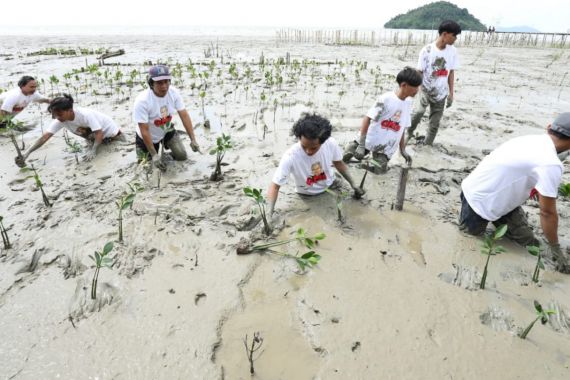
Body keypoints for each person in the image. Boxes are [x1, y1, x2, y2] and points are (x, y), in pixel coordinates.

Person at [459, 113, 570, 273]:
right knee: (470, 237)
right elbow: (547, 213)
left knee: (528, 242)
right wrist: (556, 249)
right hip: (478, 201)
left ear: (549, 128)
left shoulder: (532, 139)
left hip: (495, 194)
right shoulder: (550, 163)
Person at [267, 113, 365, 218]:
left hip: (331, 183)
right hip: (308, 194)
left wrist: (353, 184)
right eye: (304, 146)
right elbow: (275, 186)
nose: (308, 151)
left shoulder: (330, 143)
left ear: (323, 142)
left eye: (313, 148)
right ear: (299, 138)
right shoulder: (290, 156)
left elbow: (338, 163)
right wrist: (269, 214)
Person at [342, 67, 423, 172]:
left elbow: (401, 129)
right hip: (369, 140)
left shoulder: (408, 104)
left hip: (384, 148)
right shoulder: (385, 99)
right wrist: (361, 144)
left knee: (379, 172)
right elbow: (368, 118)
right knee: (347, 156)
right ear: (404, 85)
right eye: (415, 87)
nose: (417, 90)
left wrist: (402, 150)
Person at [15, 94, 123, 166]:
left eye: (59, 114)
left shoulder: (85, 115)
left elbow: (99, 133)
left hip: (114, 137)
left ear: (70, 110)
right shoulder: (61, 120)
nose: (57, 118)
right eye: (54, 115)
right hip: (96, 141)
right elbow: (44, 137)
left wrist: (93, 151)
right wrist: (27, 153)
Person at [133, 64, 200, 171]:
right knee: (146, 168)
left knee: (182, 156)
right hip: (146, 137)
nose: (164, 86)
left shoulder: (173, 93)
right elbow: (144, 130)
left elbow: (184, 115)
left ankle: (165, 156)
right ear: (151, 83)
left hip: (166, 128)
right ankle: (155, 155)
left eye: (166, 81)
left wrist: (193, 139)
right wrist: (154, 155)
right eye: (159, 83)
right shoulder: (142, 101)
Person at [407, 20, 461, 146]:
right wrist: (419, 90)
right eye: (454, 35)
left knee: (434, 123)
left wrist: (451, 93)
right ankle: (407, 135)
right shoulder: (427, 50)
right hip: (425, 89)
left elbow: (451, 72)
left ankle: (427, 146)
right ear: (444, 34)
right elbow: (419, 72)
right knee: (418, 113)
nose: (455, 39)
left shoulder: (452, 51)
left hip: (441, 92)